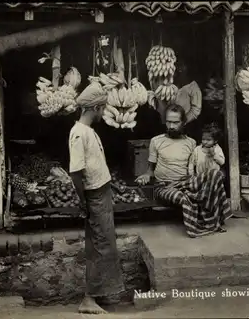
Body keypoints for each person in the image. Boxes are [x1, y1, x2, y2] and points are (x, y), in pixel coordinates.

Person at [69, 83, 125, 314]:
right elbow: (75, 171)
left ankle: (98, 294)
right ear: (95, 107)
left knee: (104, 244)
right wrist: (84, 201)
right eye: (102, 108)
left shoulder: (88, 131)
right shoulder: (79, 133)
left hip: (100, 192)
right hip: (94, 195)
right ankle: (89, 298)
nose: (104, 113)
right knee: (101, 246)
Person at [135, 104, 232, 237]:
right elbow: (150, 170)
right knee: (184, 199)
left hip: (186, 183)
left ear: (184, 122)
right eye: (168, 122)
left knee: (215, 174)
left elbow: (196, 166)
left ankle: (213, 217)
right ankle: (198, 227)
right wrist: (146, 175)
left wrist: (212, 173)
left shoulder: (191, 143)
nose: (171, 126)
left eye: (176, 122)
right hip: (164, 187)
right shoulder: (156, 141)